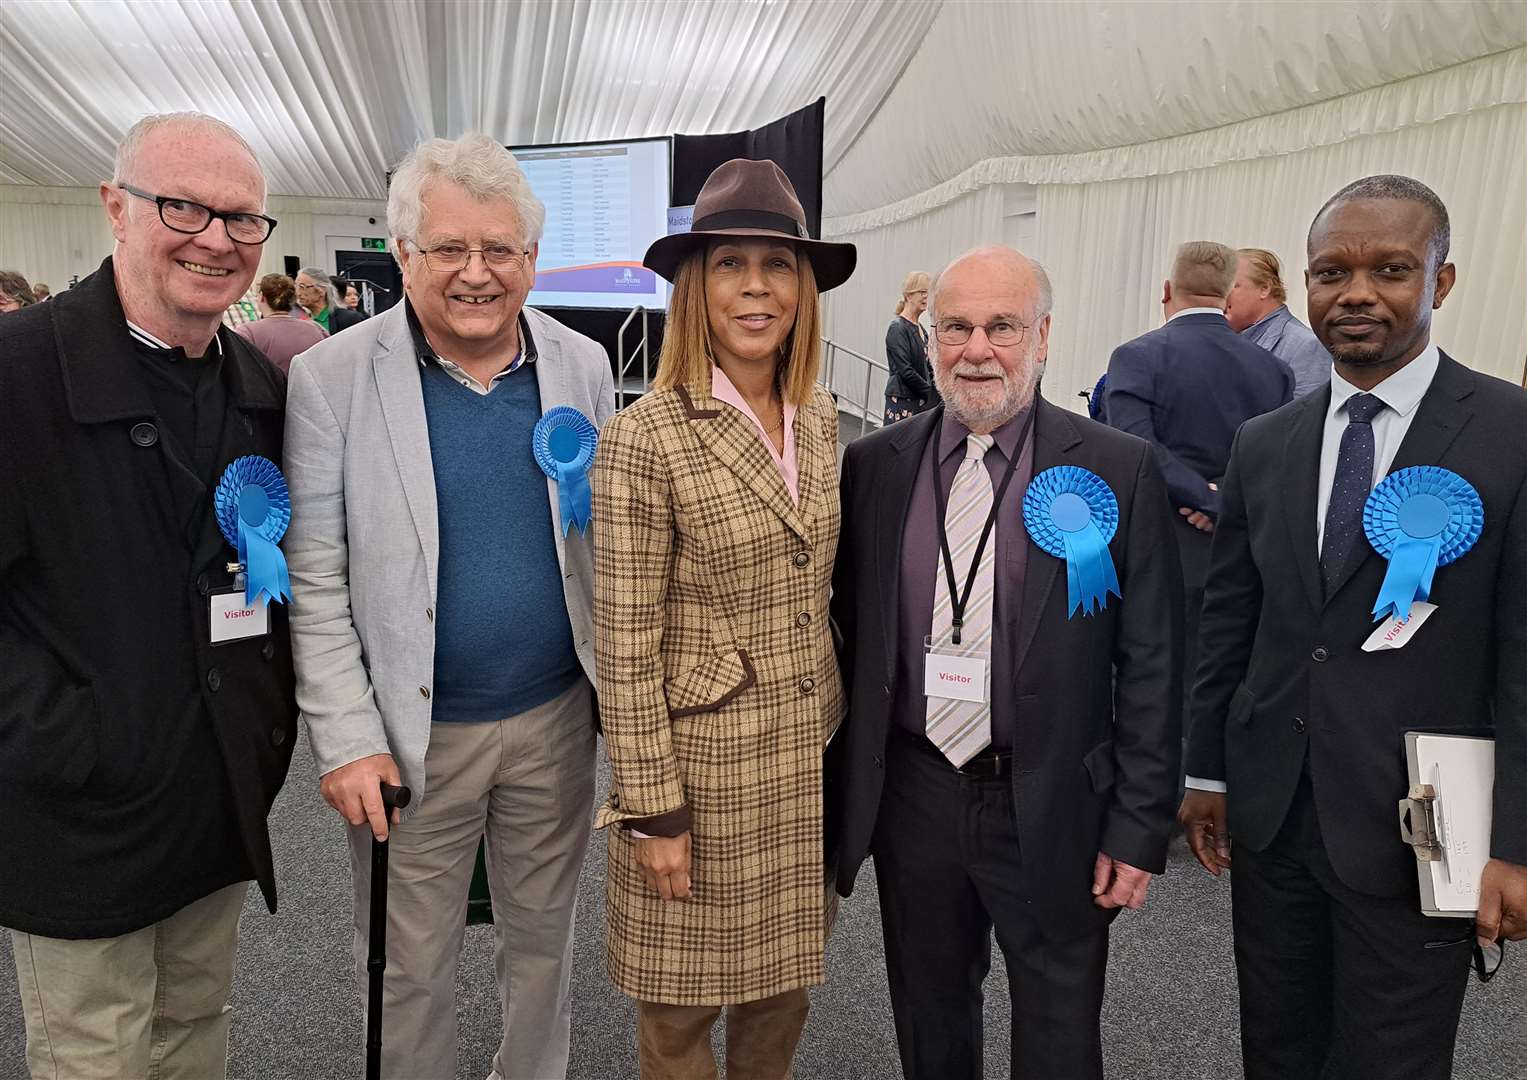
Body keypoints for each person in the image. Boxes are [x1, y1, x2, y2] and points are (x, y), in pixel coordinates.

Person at [1180, 175, 1527, 1080]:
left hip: (1422, 828)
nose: (1357, 292)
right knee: (1278, 1049)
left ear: (1441, 282)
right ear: (1306, 286)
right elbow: (1231, 624)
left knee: (1392, 1063)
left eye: (1391, 269)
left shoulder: (1510, 434)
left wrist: (1515, 845)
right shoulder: (1266, 440)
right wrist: (1208, 769)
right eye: (1331, 271)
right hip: (1274, 818)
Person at [284, 133, 613, 1080]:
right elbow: (313, 572)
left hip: (554, 721)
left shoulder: (581, 366)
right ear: (404, 255)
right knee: (409, 970)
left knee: (544, 949)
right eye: (450, 250)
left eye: (501, 250)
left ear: (531, 260)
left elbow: (593, 543)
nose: (478, 274)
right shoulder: (333, 378)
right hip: (409, 737)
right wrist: (347, 736)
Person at [829, 244, 1183, 1079]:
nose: (976, 349)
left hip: (1054, 795)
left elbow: (1155, 662)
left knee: (1059, 1030)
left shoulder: (1117, 469)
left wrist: (1138, 826)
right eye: (955, 326)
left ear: (1043, 336)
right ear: (930, 334)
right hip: (914, 794)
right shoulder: (874, 467)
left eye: (1001, 327)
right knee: (929, 1014)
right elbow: (850, 631)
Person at [0, 111, 294, 1080]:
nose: (216, 239)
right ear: (115, 208)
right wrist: (66, 738)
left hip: (211, 806)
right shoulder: (19, 375)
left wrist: (264, 732)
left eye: (242, 219)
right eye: (185, 207)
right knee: (97, 1061)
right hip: (81, 823)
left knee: (194, 1037)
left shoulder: (255, 384)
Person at [592, 157, 856, 1080]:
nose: (756, 287)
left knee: (782, 994)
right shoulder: (645, 436)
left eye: (777, 264)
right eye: (729, 264)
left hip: (804, 757)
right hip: (697, 779)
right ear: (695, 286)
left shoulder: (820, 418)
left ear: (803, 286)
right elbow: (622, 649)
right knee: (676, 1013)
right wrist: (652, 812)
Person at [1104, 241, 1293, 741]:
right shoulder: (1273, 371)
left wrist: (1203, 497)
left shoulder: (1136, 358)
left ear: (1167, 290)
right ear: (1230, 293)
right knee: (1215, 682)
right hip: (1237, 554)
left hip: (1157, 548)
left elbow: (1134, 447)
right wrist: (1225, 499)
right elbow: (1276, 456)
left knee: (1145, 684)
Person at [1226, 247, 1333, 398]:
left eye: (1231, 286)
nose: (1221, 295)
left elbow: (1304, 415)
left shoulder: (1306, 346)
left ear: (1264, 289)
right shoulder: (1224, 340)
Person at [236, 272, 327, 374]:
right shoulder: (317, 329)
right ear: (292, 299)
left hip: (268, 389)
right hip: (308, 388)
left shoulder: (247, 332)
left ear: (261, 297)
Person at [884, 270, 934, 422]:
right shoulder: (897, 327)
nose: (926, 296)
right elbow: (905, 371)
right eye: (922, 292)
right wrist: (930, 393)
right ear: (908, 295)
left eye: (929, 292)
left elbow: (928, 365)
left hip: (920, 401)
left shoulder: (921, 329)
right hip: (903, 401)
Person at [295, 265, 364, 335]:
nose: (298, 293)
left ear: (321, 290)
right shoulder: (300, 320)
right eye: (296, 286)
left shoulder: (349, 319)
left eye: (302, 287)